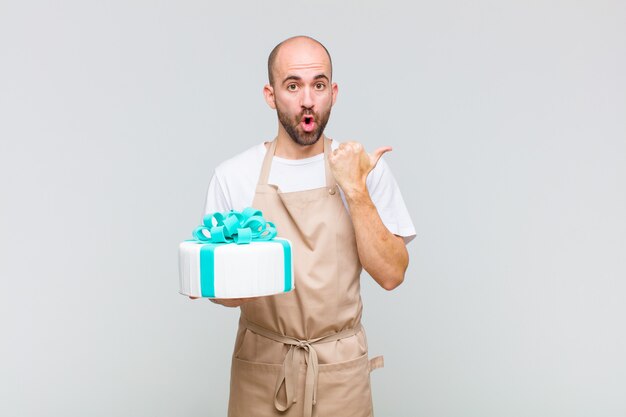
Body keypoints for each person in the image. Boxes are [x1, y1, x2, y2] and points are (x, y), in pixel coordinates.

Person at [198, 35, 415, 417]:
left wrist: (356, 191)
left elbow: (392, 273)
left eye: (318, 85)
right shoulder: (234, 175)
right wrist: (217, 278)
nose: (307, 100)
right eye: (292, 85)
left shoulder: (363, 169)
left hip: (339, 370)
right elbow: (222, 294)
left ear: (333, 92)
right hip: (263, 366)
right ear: (270, 95)